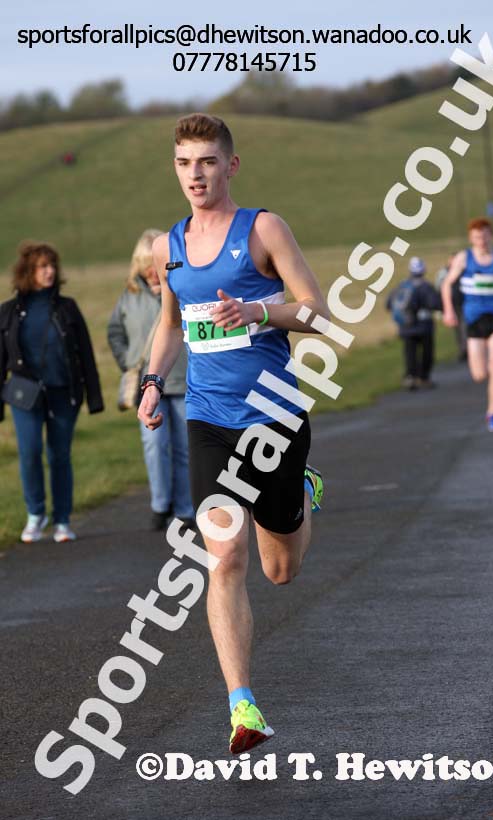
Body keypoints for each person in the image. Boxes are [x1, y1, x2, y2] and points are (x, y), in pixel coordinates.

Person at [137, 113, 328, 754]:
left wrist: (258, 311)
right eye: (184, 163)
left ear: (231, 165)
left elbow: (318, 312)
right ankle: (242, 705)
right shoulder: (169, 247)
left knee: (280, 570)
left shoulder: (264, 229)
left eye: (207, 162)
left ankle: (301, 492)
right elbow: (171, 325)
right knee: (223, 556)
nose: (195, 175)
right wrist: (151, 382)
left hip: (274, 416)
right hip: (208, 419)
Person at [0, 241, 104, 542]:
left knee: (59, 455)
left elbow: (85, 354)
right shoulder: (8, 312)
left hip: (63, 393)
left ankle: (62, 520)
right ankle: (35, 515)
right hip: (24, 396)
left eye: (52, 266)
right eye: (42, 267)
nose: (49, 272)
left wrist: (94, 397)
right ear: (28, 272)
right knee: (29, 453)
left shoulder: (67, 308)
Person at [107, 229, 194, 531]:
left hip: (182, 380)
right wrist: (130, 362)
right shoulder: (129, 297)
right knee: (154, 445)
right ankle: (160, 503)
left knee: (184, 448)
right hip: (148, 386)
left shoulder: (182, 290)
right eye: (146, 264)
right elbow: (114, 333)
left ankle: (185, 508)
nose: (151, 271)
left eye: (154, 263)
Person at [442, 218, 493, 431]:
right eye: (477, 237)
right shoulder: (464, 258)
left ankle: (492, 412)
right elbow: (447, 284)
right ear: (471, 238)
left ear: (491, 235)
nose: (482, 241)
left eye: (485, 236)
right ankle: (485, 372)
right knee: (480, 375)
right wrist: (448, 310)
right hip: (474, 319)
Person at [387, 257, 442, 390]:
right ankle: (424, 377)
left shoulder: (402, 285)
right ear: (423, 270)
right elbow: (435, 304)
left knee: (409, 353)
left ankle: (410, 377)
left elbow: (389, 304)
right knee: (427, 353)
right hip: (424, 325)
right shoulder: (426, 286)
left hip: (406, 326)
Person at [436, 253, 467, 361]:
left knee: (464, 327)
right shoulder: (445, 273)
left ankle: (466, 349)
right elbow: (440, 288)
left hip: (464, 303)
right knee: (458, 329)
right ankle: (462, 349)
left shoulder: (463, 271)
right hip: (453, 305)